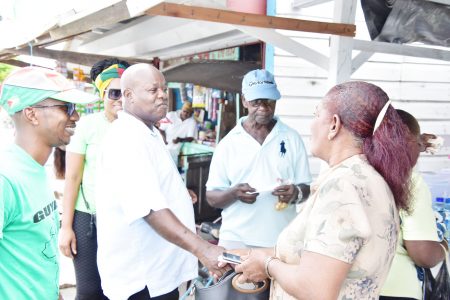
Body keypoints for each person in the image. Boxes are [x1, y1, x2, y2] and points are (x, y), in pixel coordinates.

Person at [233, 81, 416, 299]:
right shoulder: (370, 178)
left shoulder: (343, 188)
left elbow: (315, 289)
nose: (311, 125)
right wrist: (257, 255)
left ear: (333, 125)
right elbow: (327, 256)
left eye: (316, 114)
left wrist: (267, 264)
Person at [95, 63, 228, 300]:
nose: (162, 96)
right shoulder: (126, 138)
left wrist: (177, 194)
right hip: (142, 278)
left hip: (158, 273)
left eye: (164, 89)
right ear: (128, 95)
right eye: (153, 90)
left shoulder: (149, 132)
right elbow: (150, 209)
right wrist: (204, 249)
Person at [0, 66, 97, 299]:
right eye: (67, 107)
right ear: (32, 114)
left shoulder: (35, 169)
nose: (75, 116)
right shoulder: (6, 178)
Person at [205, 69, 312, 249]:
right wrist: (233, 194)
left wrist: (295, 193)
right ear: (244, 100)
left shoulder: (291, 138)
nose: (263, 108)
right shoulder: (228, 144)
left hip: (281, 239)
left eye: (269, 101)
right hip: (236, 240)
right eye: (256, 102)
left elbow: (306, 188)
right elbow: (212, 197)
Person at [58, 59, 130, 300]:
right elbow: (72, 178)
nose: (120, 99)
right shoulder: (88, 126)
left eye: (126, 93)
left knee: (123, 288)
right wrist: (66, 227)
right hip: (88, 219)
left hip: (128, 220)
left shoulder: (140, 128)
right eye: (114, 93)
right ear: (102, 95)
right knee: (90, 291)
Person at [380, 109, 447, 300]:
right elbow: (423, 254)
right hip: (397, 291)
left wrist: (415, 142)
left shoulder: (355, 172)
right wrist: (444, 246)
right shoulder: (410, 182)